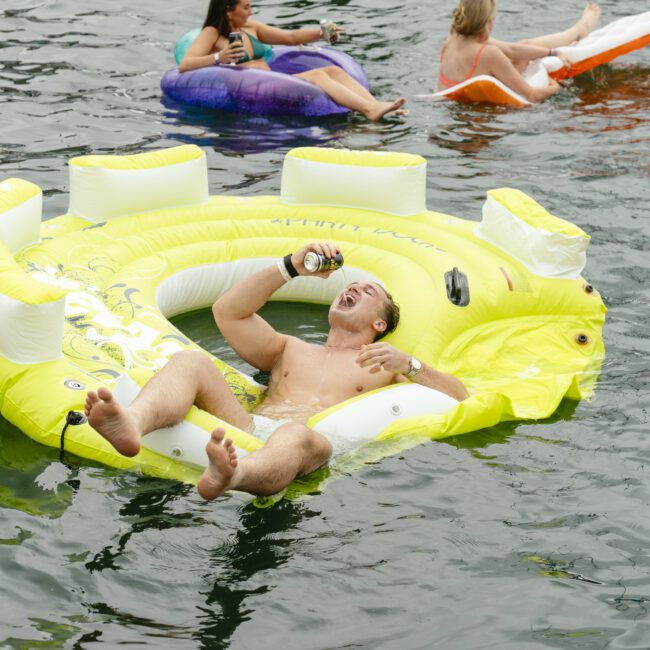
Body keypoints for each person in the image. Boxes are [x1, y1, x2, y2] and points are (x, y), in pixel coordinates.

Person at [85, 242, 469, 501]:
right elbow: (228, 312)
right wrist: (291, 267)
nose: (353, 288)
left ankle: (232, 475)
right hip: (250, 428)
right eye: (351, 285)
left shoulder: (384, 367)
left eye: (369, 292)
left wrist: (411, 365)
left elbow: (459, 397)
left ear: (380, 325)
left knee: (294, 433)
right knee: (191, 361)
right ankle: (131, 424)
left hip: (314, 444)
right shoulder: (289, 348)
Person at [178, 0, 407, 121]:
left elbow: (290, 37)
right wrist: (220, 57)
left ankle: (376, 106)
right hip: (252, 89)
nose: (251, 11)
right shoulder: (212, 33)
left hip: (273, 81)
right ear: (229, 10)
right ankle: (368, 109)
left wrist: (322, 32)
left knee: (333, 70)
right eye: (246, 7)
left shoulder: (251, 28)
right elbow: (185, 65)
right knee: (318, 75)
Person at [438, 0, 601, 102]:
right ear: (487, 23)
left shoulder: (452, 37)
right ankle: (578, 32)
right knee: (524, 50)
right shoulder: (488, 53)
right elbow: (531, 95)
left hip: (454, 103)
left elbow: (511, 49)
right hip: (492, 106)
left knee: (522, 46)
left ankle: (577, 32)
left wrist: (552, 52)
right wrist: (557, 86)